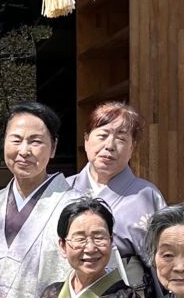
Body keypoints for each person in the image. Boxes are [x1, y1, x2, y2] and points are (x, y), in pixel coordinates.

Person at [0, 102, 79, 298]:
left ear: (53, 148)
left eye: (36, 141)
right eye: (16, 140)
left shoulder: (75, 206)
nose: (24, 151)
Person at [68, 101, 165, 287]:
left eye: (121, 139)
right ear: (86, 140)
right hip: (72, 291)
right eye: (102, 135)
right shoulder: (63, 189)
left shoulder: (147, 195)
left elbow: (164, 258)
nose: (110, 145)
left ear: (132, 148)